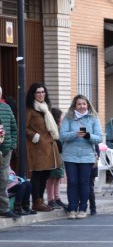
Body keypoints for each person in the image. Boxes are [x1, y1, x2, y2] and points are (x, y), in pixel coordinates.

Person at [60, 94, 102, 219]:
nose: (82, 106)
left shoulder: (93, 118)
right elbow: (62, 136)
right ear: (75, 106)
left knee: (84, 182)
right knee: (72, 182)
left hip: (87, 156)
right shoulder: (68, 117)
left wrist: (88, 136)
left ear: (87, 105)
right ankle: (72, 208)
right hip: (70, 156)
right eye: (79, 104)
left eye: (84, 104)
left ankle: (83, 208)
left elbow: (99, 137)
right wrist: (75, 134)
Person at [25, 82, 62, 212]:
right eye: (38, 92)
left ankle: (41, 200)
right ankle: (36, 201)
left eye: (43, 92)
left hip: (49, 146)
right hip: (37, 147)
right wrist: (33, 135)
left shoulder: (46, 108)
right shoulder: (29, 108)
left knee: (46, 174)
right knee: (37, 174)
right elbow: (23, 127)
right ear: (33, 94)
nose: (41, 94)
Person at [0, 87, 19, 219]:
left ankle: (4, 208)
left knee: (3, 179)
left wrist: (12, 145)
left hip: (5, 151)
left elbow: (13, 128)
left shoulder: (6, 108)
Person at [46, 107, 67, 210]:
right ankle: (51, 199)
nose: (61, 119)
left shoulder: (60, 127)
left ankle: (57, 198)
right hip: (54, 154)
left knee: (58, 177)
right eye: (60, 117)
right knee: (52, 177)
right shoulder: (52, 128)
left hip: (61, 154)